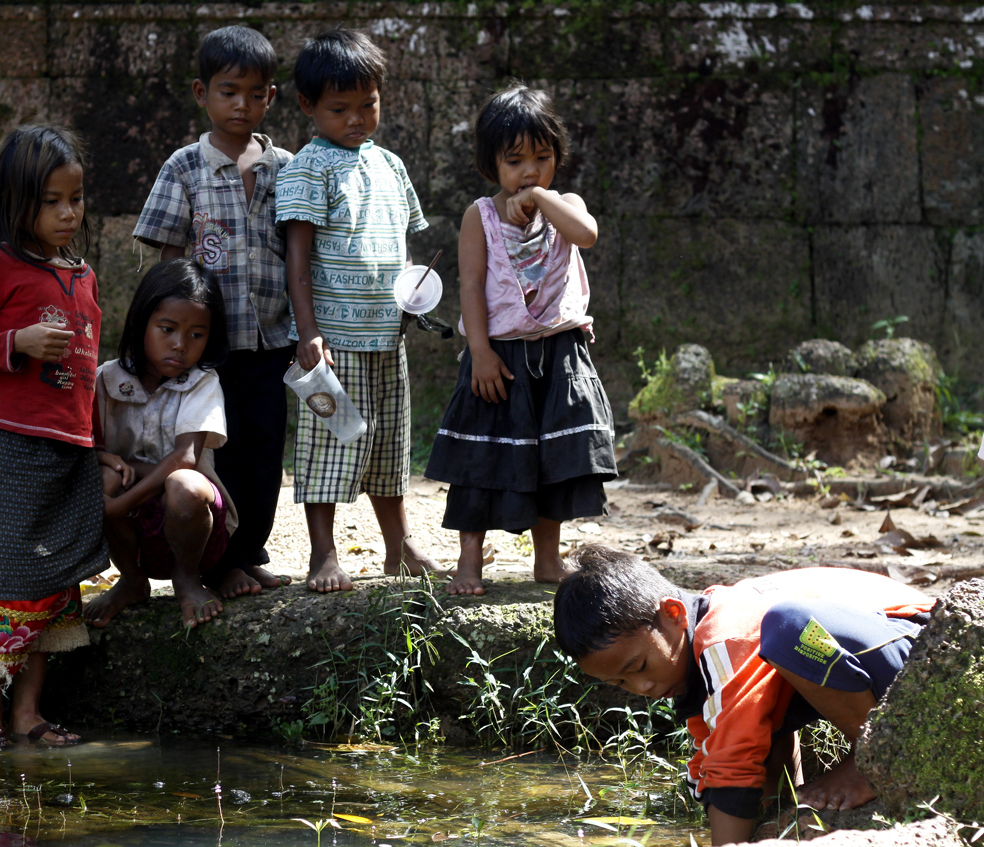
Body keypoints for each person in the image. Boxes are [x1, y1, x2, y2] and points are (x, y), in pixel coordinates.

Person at [552, 545, 935, 846]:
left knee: (789, 632)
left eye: (638, 668)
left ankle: (876, 762)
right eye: (622, 684)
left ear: (672, 614)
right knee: (751, 712)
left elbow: (732, 767)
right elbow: (729, 748)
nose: (644, 689)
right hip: (886, 660)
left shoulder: (725, 635)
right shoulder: (702, 664)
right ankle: (785, 811)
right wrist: (774, 821)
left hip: (923, 649)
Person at [0, 124, 108, 747]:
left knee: (51, 579)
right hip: (12, 447)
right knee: (2, 575)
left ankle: (29, 713)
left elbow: (89, 372)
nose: (69, 213)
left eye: (76, 198)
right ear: (17, 202)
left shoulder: (82, 275)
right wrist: (16, 343)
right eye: (51, 201)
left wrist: (100, 445)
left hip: (70, 447)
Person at [424, 85, 617, 596]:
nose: (530, 171)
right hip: (500, 357)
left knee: (552, 462)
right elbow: (469, 285)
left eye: (542, 157)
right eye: (516, 162)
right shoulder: (479, 217)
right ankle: (470, 562)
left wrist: (543, 199)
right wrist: (481, 352)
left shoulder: (565, 206)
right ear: (492, 164)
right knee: (481, 462)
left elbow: (588, 234)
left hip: (557, 355)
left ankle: (547, 559)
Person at [131, 25, 293, 600]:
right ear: (202, 93)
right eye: (228, 91)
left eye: (254, 93)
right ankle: (217, 561)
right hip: (207, 346)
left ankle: (248, 552)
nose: (241, 104)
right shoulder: (184, 168)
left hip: (273, 340)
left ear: (270, 98)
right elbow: (172, 263)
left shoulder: (288, 169)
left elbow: (299, 255)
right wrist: (170, 338)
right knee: (208, 452)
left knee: (263, 450)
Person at [277, 28, 442, 593]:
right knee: (330, 442)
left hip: (386, 334)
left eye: (367, 104)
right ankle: (323, 553)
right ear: (308, 106)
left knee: (390, 446)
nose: (356, 119)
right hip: (334, 340)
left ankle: (400, 546)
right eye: (339, 108)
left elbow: (402, 245)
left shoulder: (392, 166)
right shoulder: (306, 167)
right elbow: (297, 257)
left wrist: (413, 298)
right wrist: (308, 332)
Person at [87, 258, 239, 630]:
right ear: (142, 323)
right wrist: (109, 464)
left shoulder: (202, 382)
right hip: (133, 530)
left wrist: (120, 501)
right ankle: (132, 580)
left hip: (196, 530)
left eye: (196, 335)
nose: (180, 345)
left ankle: (187, 579)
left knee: (183, 485)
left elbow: (186, 459)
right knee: (101, 477)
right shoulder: (108, 379)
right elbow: (91, 449)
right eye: (167, 329)